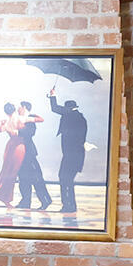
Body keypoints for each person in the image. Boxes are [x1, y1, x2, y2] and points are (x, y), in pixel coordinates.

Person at [47, 86, 88, 214]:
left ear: (68, 109)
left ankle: (68, 206)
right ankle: (70, 206)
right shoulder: (79, 118)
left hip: (71, 155)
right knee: (67, 179)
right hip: (75, 155)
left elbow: (55, 108)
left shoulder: (71, 116)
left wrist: (53, 95)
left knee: (65, 178)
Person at [0, 102, 27, 207]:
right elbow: (21, 130)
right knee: (11, 174)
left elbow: (0, 130)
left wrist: (3, 125)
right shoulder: (18, 118)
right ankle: (2, 197)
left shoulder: (7, 120)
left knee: (6, 172)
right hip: (18, 146)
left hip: (11, 146)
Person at [14, 101, 50, 210]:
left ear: (24, 107)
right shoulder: (18, 119)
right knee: (23, 178)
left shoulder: (30, 119)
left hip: (29, 152)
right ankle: (25, 201)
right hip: (20, 152)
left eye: (19, 107)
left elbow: (30, 133)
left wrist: (19, 129)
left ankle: (45, 200)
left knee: (36, 177)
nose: (18, 109)